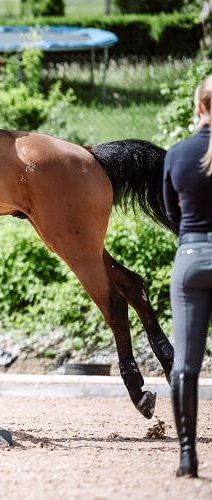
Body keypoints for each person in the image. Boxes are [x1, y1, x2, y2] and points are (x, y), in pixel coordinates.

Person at [163, 74, 212, 478]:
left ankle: (187, 457)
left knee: (185, 365)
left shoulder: (178, 153)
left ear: (200, 107)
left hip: (192, 255)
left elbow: (172, 214)